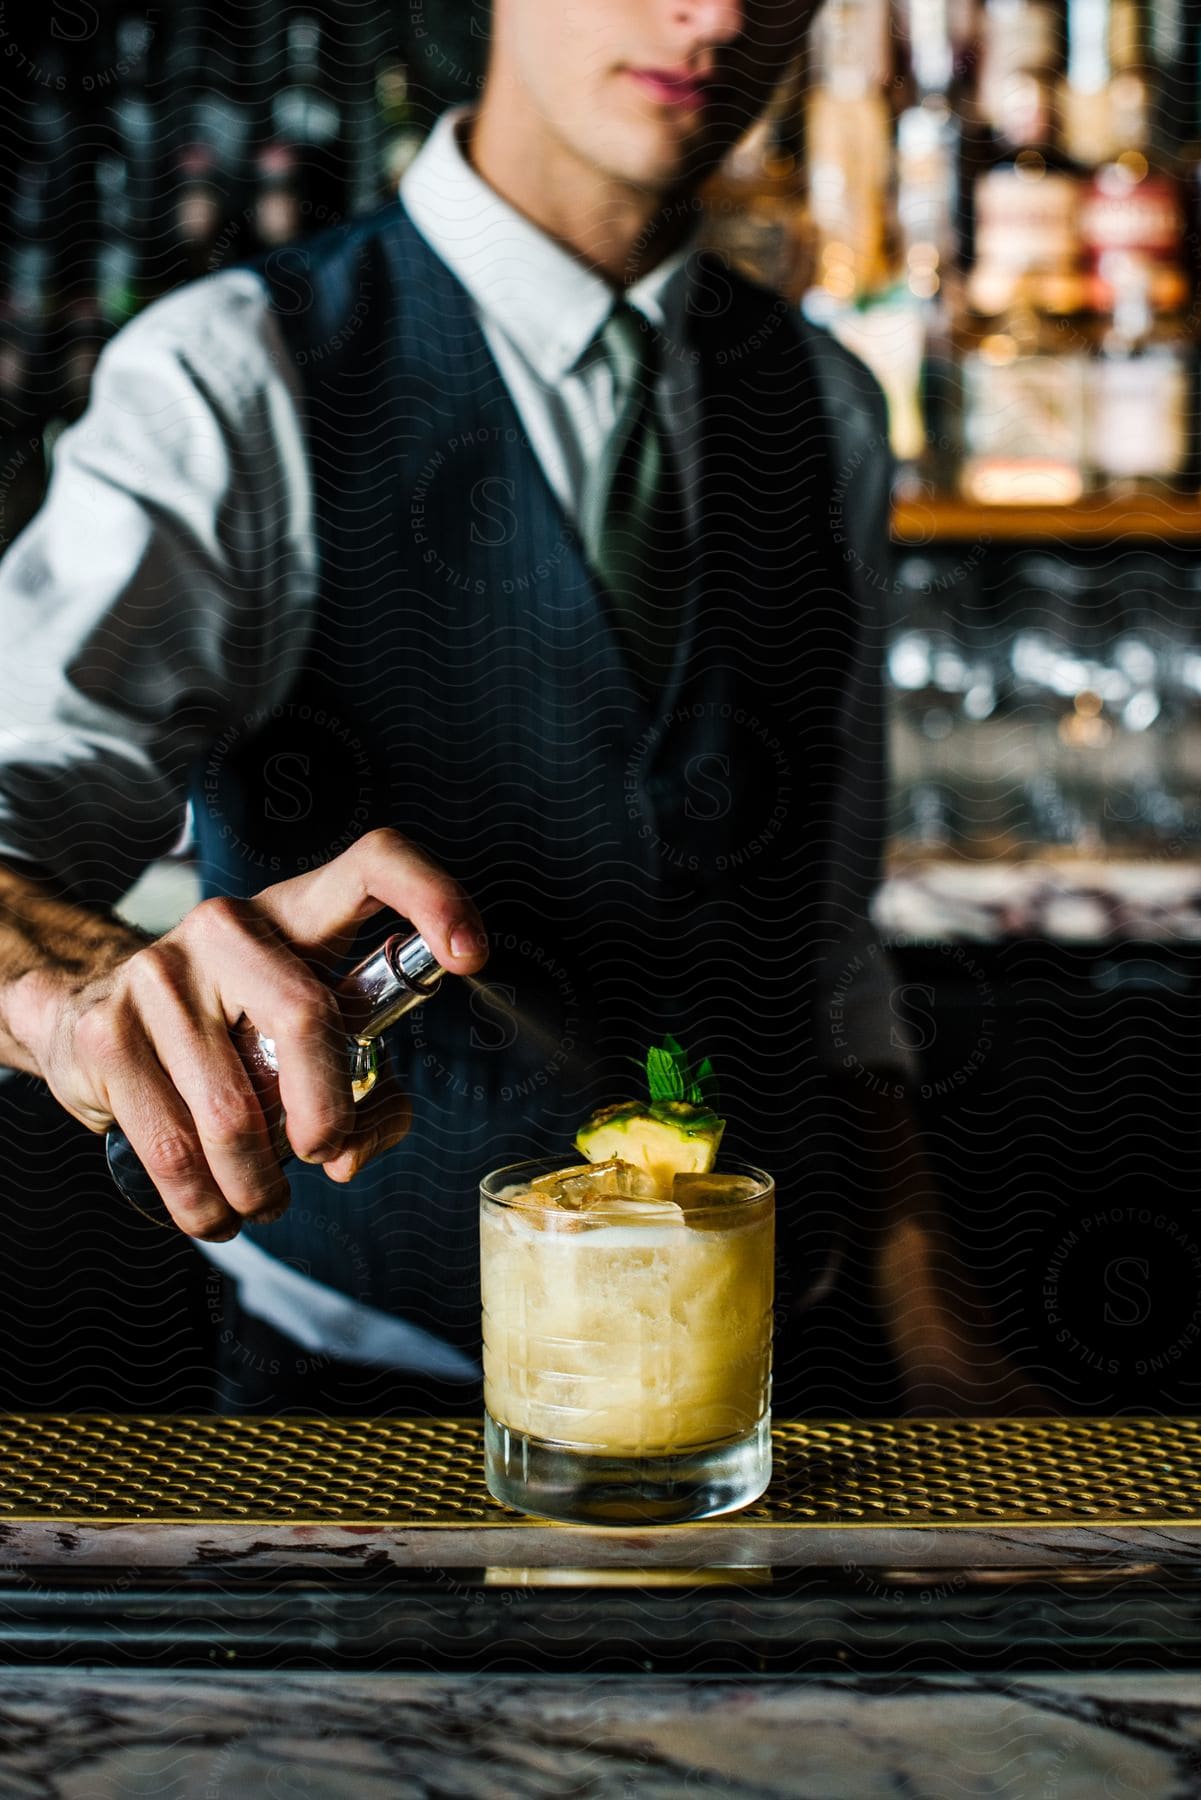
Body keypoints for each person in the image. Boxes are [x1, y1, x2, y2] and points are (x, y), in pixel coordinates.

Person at [0, 0, 1022, 1416]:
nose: (717, 14)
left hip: (784, 1382)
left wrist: (941, 1343)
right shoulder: (233, 374)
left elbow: (824, 962)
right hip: (368, 1405)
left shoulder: (825, 403)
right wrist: (90, 995)